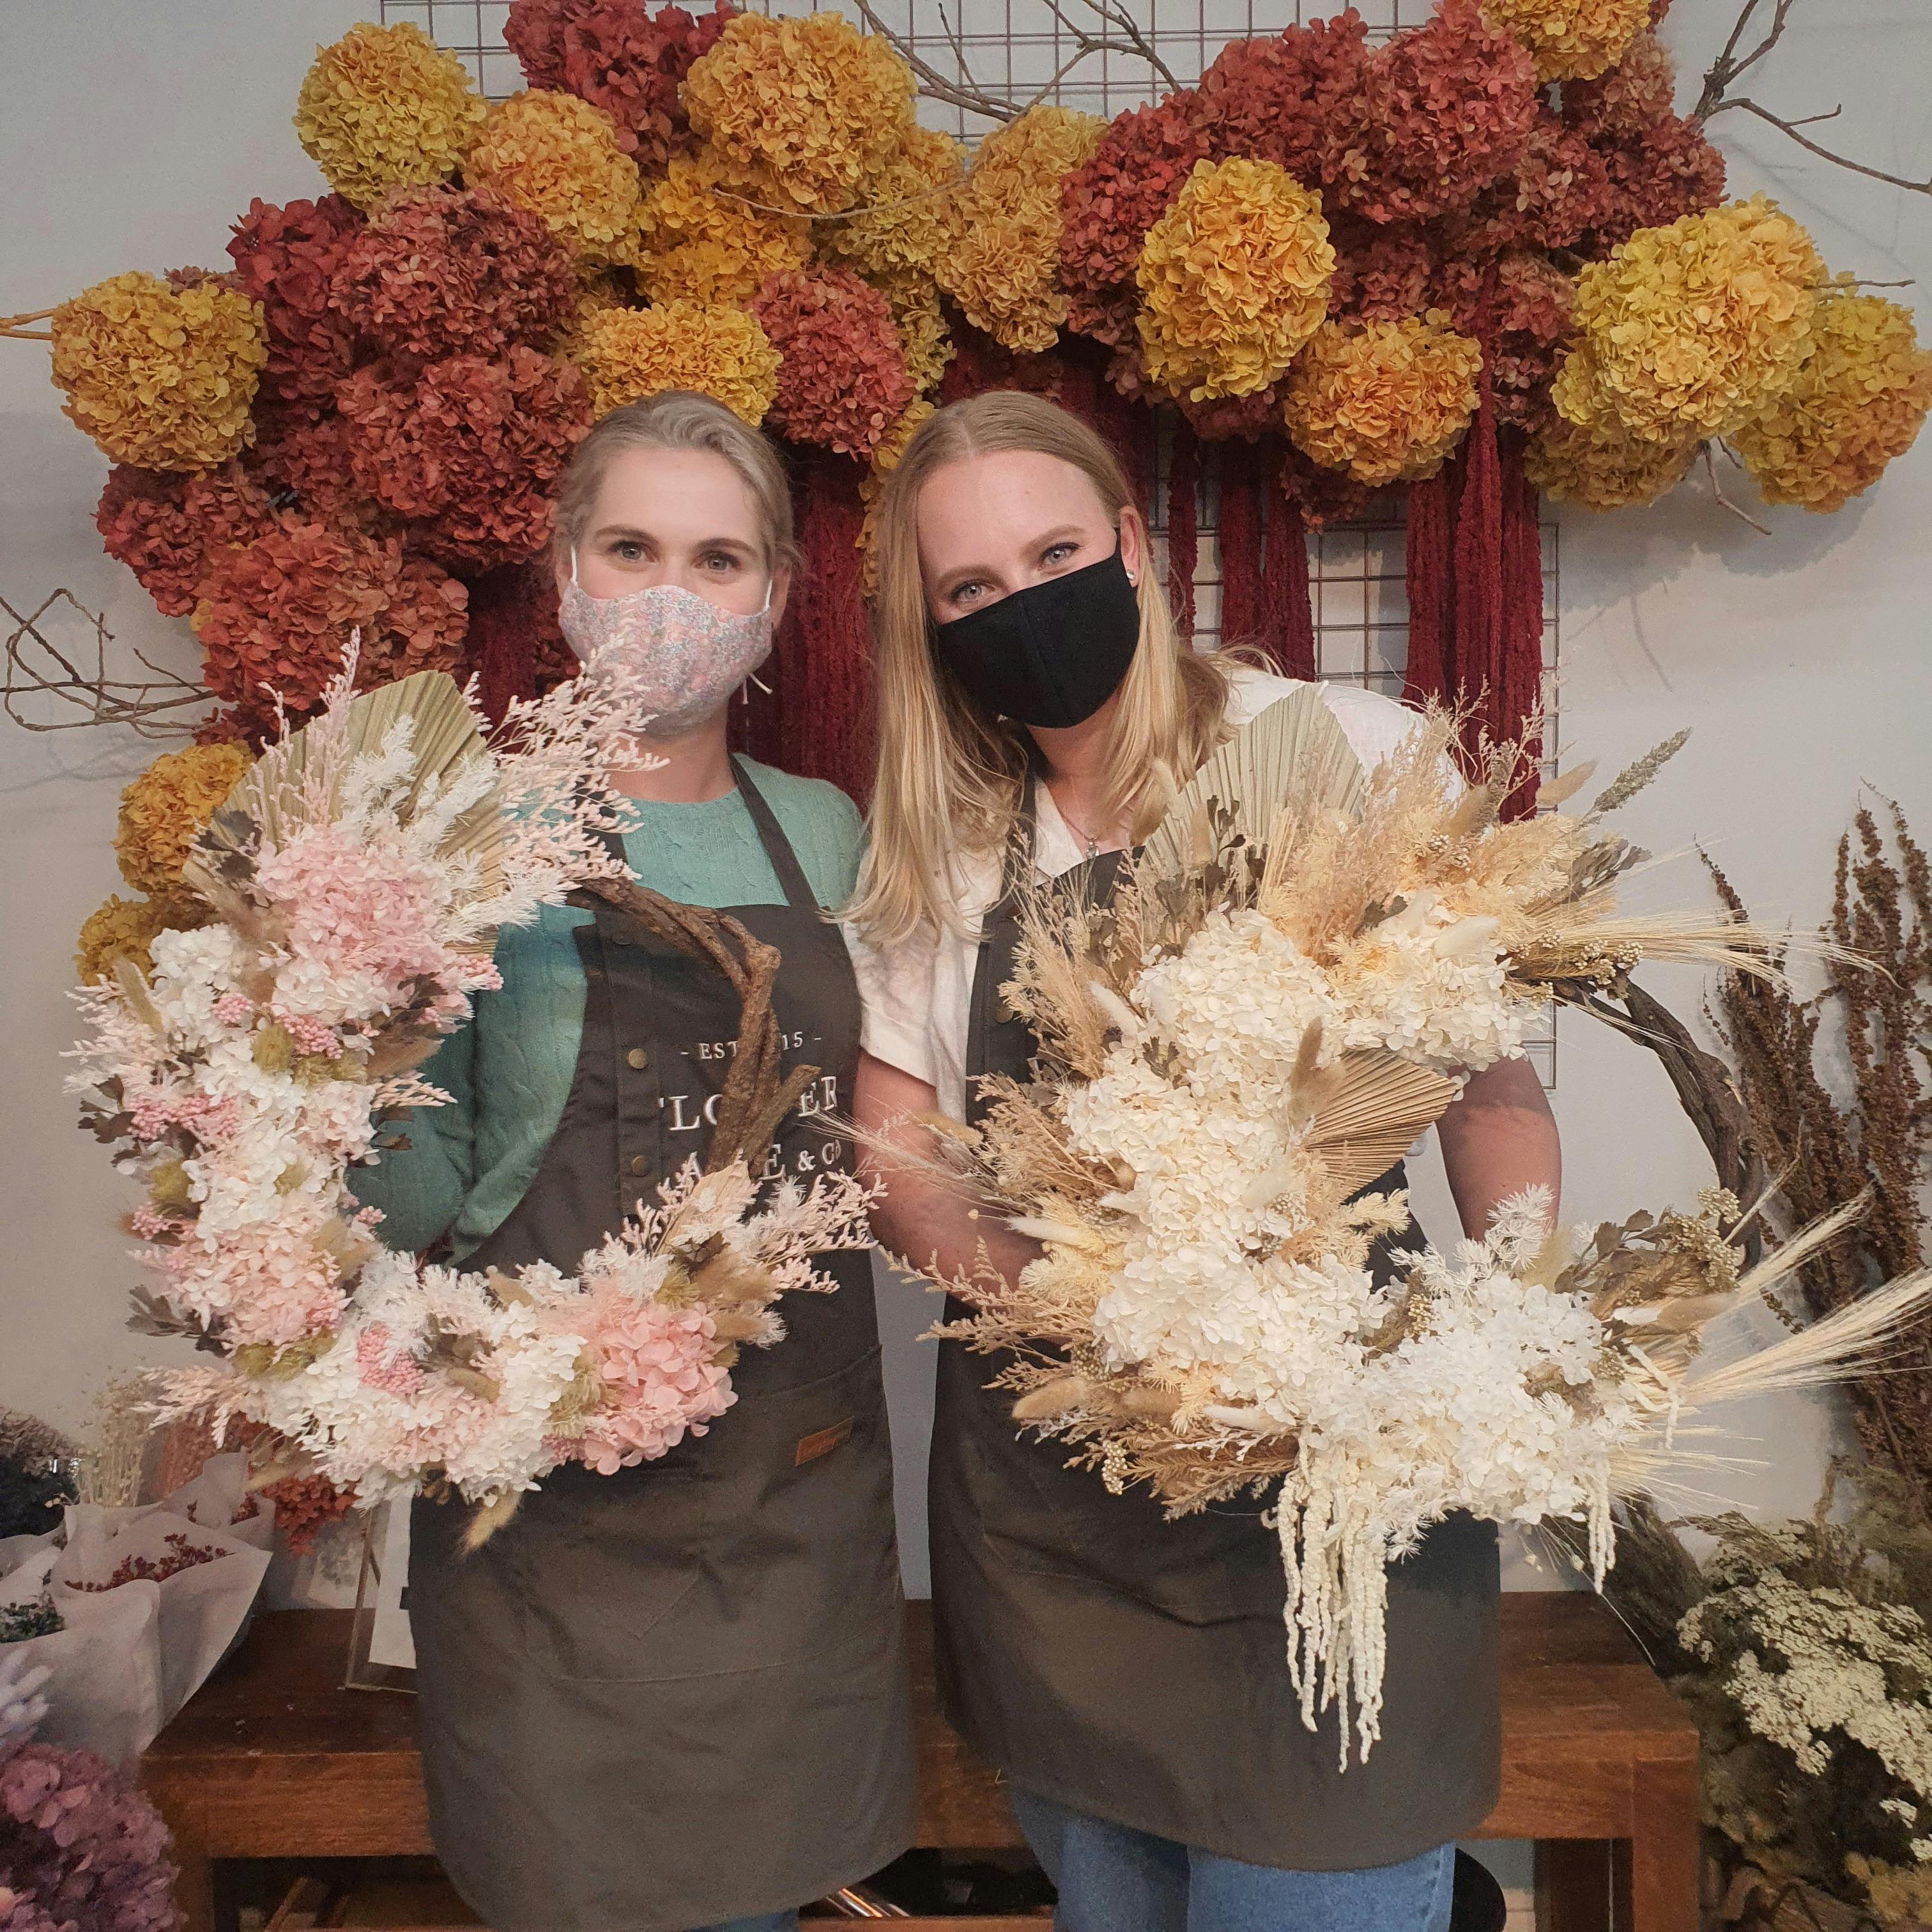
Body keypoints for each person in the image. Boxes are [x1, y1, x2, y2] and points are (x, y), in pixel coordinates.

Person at [848, 391, 1561, 1932]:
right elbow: (900, 1162)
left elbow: (1485, 1087)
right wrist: (1117, 1322)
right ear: (930, 623)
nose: (1022, 604)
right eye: (971, 589)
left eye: (1054, 551)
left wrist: (1522, 1333)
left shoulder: (1342, 752)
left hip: (1333, 1481)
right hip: (1068, 1517)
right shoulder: (951, 854)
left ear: (1130, 541)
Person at [352, 390, 914, 1932]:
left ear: (780, 600)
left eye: (720, 559)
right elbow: (408, 1205)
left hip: (790, 1504)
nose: (675, 594)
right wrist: (339, 1053)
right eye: (634, 546)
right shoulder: (458, 835)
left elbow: (898, 1136)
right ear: (563, 571)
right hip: (545, 1526)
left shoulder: (834, 833)